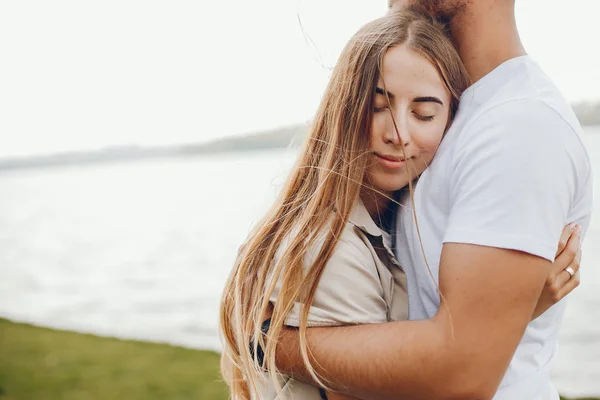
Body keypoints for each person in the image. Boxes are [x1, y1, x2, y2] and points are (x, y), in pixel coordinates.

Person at [219, 6, 586, 400]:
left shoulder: (516, 125)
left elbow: (462, 366)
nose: (398, 133)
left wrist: (505, 319)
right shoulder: (333, 245)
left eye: (424, 113)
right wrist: (269, 344)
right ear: (343, 109)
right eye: (378, 106)